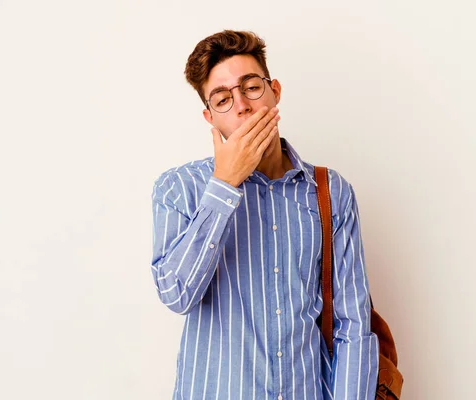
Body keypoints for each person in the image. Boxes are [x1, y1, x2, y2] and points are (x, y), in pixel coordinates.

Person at [151, 30, 379, 400]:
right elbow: (177, 294)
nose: (241, 105)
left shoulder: (329, 192)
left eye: (251, 87)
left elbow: (352, 325)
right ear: (210, 117)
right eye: (223, 99)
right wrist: (224, 185)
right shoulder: (180, 188)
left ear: (275, 91)